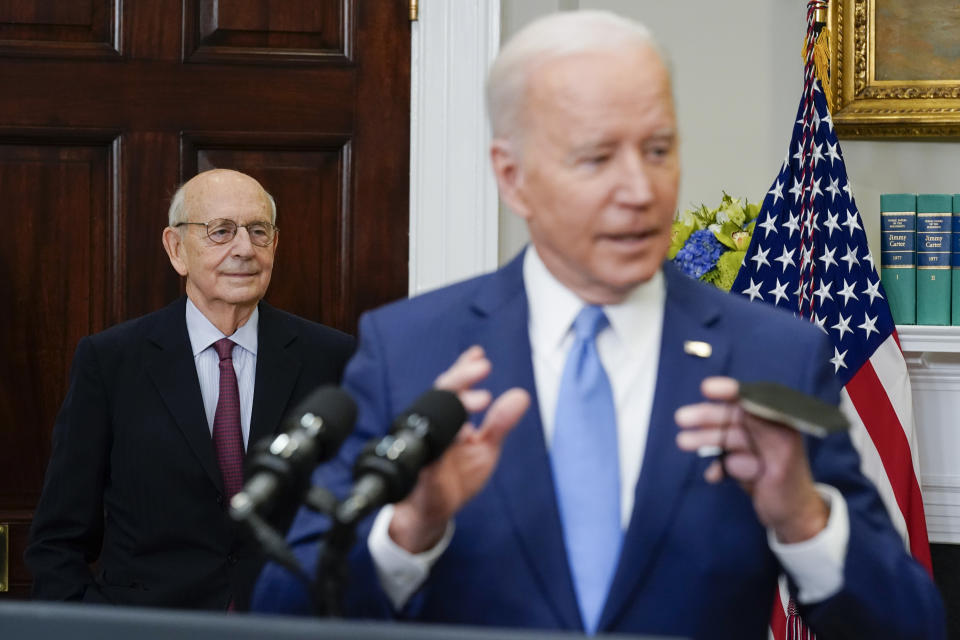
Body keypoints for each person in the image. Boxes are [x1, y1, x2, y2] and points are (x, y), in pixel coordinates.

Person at [252, 11, 944, 639]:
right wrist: (410, 529)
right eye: (596, 157)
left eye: (658, 150)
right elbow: (284, 614)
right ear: (513, 176)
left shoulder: (774, 352)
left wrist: (802, 519)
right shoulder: (413, 351)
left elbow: (910, 625)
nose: (640, 191)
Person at [26, 168, 355, 610]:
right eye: (220, 231)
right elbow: (59, 538)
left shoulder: (333, 357)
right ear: (176, 249)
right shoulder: (111, 361)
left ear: (274, 245)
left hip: (288, 619)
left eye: (259, 232)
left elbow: (357, 514)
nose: (244, 249)